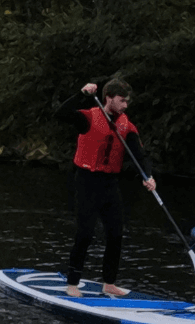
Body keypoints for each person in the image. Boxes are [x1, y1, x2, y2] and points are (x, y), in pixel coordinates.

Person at [55, 77, 156, 297]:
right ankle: (72, 284)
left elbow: (141, 155)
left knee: (115, 233)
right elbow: (61, 114)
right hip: (86, 180)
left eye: (127, 102)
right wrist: (82, 94)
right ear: (108, 98)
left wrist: (147, 175)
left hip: (109, 183)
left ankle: (109, 282)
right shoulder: (89, 117)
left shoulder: (126, 125)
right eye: (122, 101)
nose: (125, 105)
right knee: (85, 234)